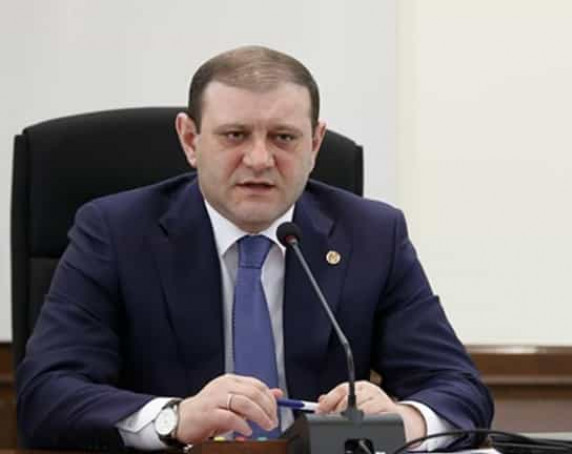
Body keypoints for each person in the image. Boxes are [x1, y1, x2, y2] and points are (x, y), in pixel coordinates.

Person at [16, 45, 493, 451]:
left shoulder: (372, 234)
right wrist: (173, 418)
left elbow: (459, 388)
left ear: (315, 144)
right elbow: (46, 394)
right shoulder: (115, 232)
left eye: (283, 137)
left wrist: (401, 422)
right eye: (235, 135)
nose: (260, 159)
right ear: (190, 139)